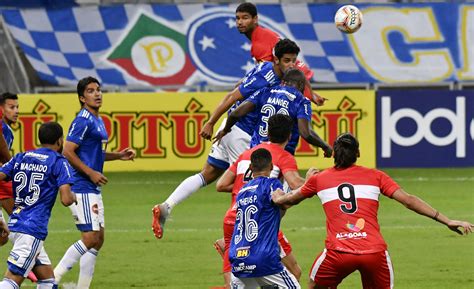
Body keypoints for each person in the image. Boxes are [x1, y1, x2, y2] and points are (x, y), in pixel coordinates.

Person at [272, 132, 474, 289]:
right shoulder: (376, 176)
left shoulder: (319, 179)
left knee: (315, 284)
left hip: (338, 253)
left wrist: (277, 196)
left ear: (333, 154)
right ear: (358, 154)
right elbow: (409, 201)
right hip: (374, 252)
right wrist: (446, 220)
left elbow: (290, 199)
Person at [152, 39, 302, 239]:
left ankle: (166, 206)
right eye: (287, 61)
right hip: (242, 133)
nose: (291, 65)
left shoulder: (265, 69)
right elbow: (233, 96)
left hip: (230, 128)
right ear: (276, 60)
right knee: (257, 184)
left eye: (294, 61)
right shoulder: (266, 78)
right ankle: (239, 237)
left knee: (208, 174)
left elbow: (240, 84)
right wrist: (211, 122)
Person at [53, 77, 136, 289]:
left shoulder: (97, 120)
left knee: (98, 240)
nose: (97, 94)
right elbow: (67, 151)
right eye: (90, 91)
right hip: (81, 186)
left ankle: (82, 286)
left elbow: (94, 152)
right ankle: (52, 279)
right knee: (90, 238)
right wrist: (90, 173)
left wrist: (118, 156)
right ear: (82, 97)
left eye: (98, 90)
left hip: (92, 187)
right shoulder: (82, 120)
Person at [215, 114, 315, 288]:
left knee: (239, 280)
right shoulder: (281, 160)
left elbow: (221, 185)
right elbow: (292, 188)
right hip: (260, 223)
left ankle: (228, 247)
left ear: (267, 133)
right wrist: (312, 183)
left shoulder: (247, 155)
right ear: (290, 136)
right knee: (293, 272)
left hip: (235, 222)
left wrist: (251, 191)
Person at [0, 121, 76, 289]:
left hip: (17, 222)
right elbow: (66, 199)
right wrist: (73, 197)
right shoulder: (59, 162)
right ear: (60, 141)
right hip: (32, 230)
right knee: (12, 280)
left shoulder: (21, 157)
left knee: (48, 280)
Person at [215, 68, 332, 157]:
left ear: (283, 82)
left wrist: (225, 130)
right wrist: (325, 146)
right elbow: (306, 133)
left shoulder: (264, 91)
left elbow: (236, 113)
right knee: (285, 187)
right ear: (301, 85)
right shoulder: (301, 101)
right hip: (280, 156)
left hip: (257, 154)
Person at [229, 148, 300, 288]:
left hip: (238, 257)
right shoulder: (271, 184)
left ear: (250, 167)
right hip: (262, 257)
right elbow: (283, 202)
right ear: (272, 166)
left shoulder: (242, 192)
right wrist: (308, 185)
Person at [235, 2, 326, 106]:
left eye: (245, 18)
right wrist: (311, 94)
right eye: (237, 18)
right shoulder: (264, 35)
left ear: (255, 19)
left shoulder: (259, 44)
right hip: (299, 77)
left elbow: (268, 75)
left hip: (294, 80)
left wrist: (242, 84)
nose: (240, 22)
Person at [0, 92, 19, 216]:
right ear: (1, 109)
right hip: (2, 183)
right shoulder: (4, 129)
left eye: (17, 107)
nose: (16, 111)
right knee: (19, 220)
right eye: (11, 107)